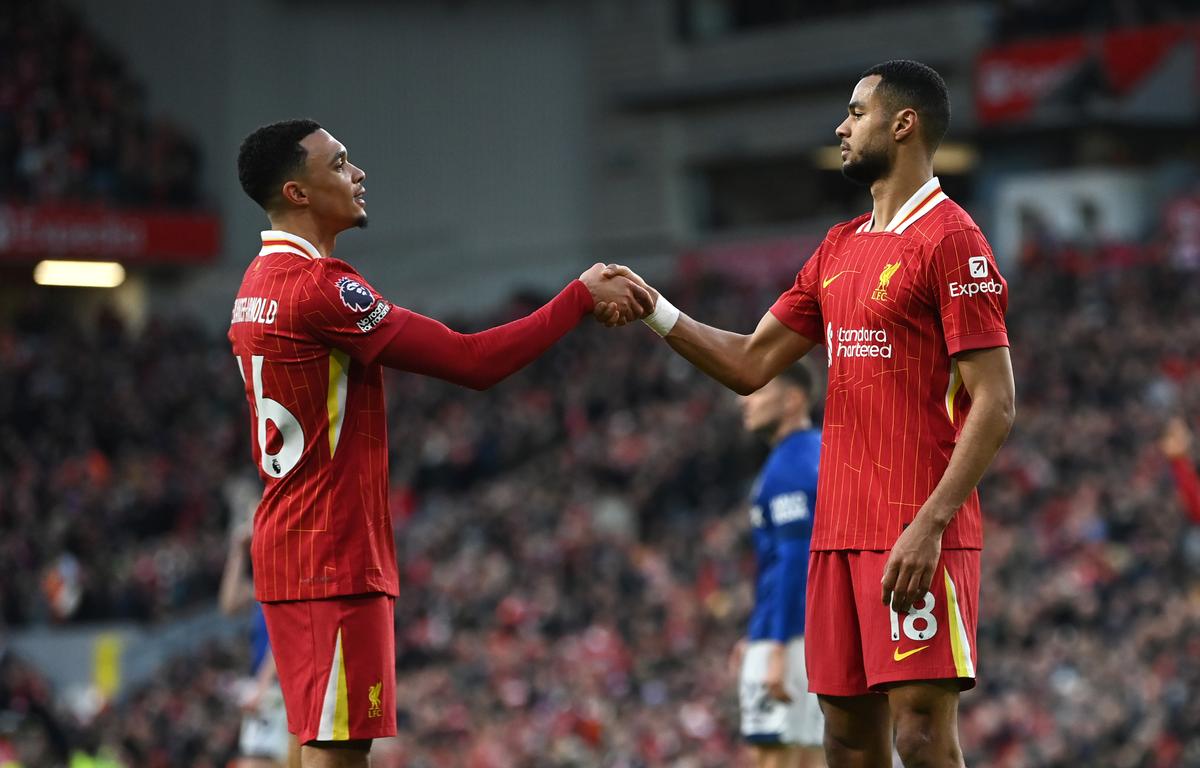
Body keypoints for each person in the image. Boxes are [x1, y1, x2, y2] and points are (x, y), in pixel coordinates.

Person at [603, 60, 1015, 767]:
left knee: (918, 733)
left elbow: (997, 401)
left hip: (913, 526)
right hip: (836, 532)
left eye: (856, 112)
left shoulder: (954, 241)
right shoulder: (838, 246)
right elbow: (750, 362)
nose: (842, 126)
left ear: (903, 123)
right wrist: (658, 310)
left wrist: (932, 522)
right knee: (846, 738)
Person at [228, 119, 651, 768]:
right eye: (339, 164)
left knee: (315, 742)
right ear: (299, 192)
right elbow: (471, 361)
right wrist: (578, 298)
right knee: (338, 751)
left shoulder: (257, 283)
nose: (358, 173)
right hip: (332, 550)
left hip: (297, 541)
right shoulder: (321, 289)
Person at [731, 363, 825, 768]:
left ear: (793, 399)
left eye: (756, 391)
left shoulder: (789, 468)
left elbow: (795, 563)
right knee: (813, 753)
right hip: (813, 632)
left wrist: (775, 646)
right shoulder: (820, 453)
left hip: (790, 636)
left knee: (773, 755)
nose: (744, 400)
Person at [219, 500, 299, 768]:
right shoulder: (268, 576)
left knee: (256, 763)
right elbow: (229, 605)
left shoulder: (290, 573)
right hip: (272, 684)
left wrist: (263, 688)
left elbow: (287, 636)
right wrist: (238, 551)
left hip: (280, 683)